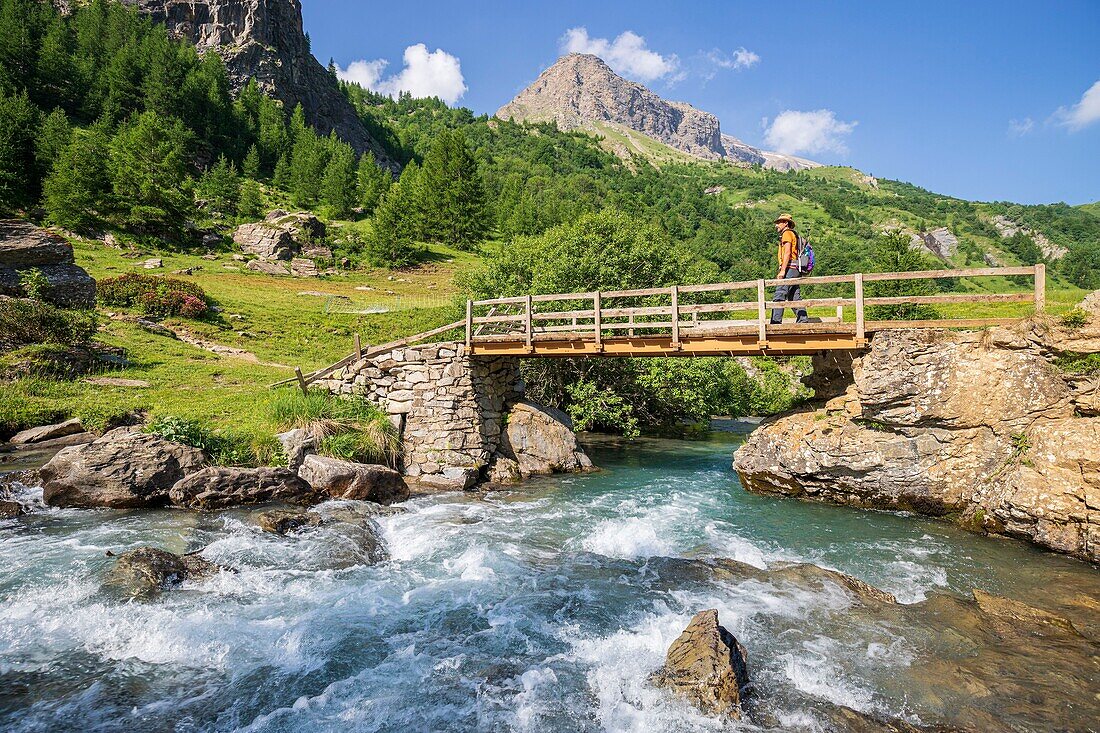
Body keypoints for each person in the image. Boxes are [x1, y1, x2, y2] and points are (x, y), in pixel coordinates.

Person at [770, 213, 808, 324]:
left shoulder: (787, 234)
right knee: (794, 296)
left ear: (785, 223)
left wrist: (782, 271)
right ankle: (803, 320)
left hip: (789, 268)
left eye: (779, 222)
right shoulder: (793, 234)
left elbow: (787, 253)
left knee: (779, 294)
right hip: (796, 268)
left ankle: (775, 323)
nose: (776, 225)